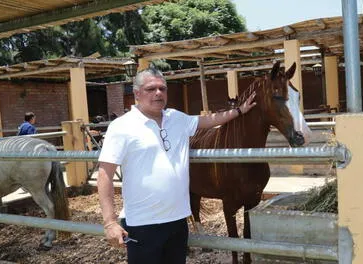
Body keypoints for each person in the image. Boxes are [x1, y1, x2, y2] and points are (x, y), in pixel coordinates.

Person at [97, 68, 256, 264]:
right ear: (137, 93)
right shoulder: (122, 126)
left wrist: (239, 111)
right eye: (151, 89)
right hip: (142, 224)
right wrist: (109, 222)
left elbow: (208, 121)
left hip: (177, 222)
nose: (158, 93)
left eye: (162, 88)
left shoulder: (176, 118)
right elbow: (105, 174)